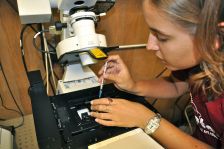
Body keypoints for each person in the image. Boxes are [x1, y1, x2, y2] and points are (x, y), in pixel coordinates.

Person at [90, 0, 224, 148]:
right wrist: (133, 85)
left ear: (212, 37)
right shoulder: (200, 61)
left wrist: (147, 119)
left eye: (162, 37)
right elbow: (176, 86)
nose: (150, 46)